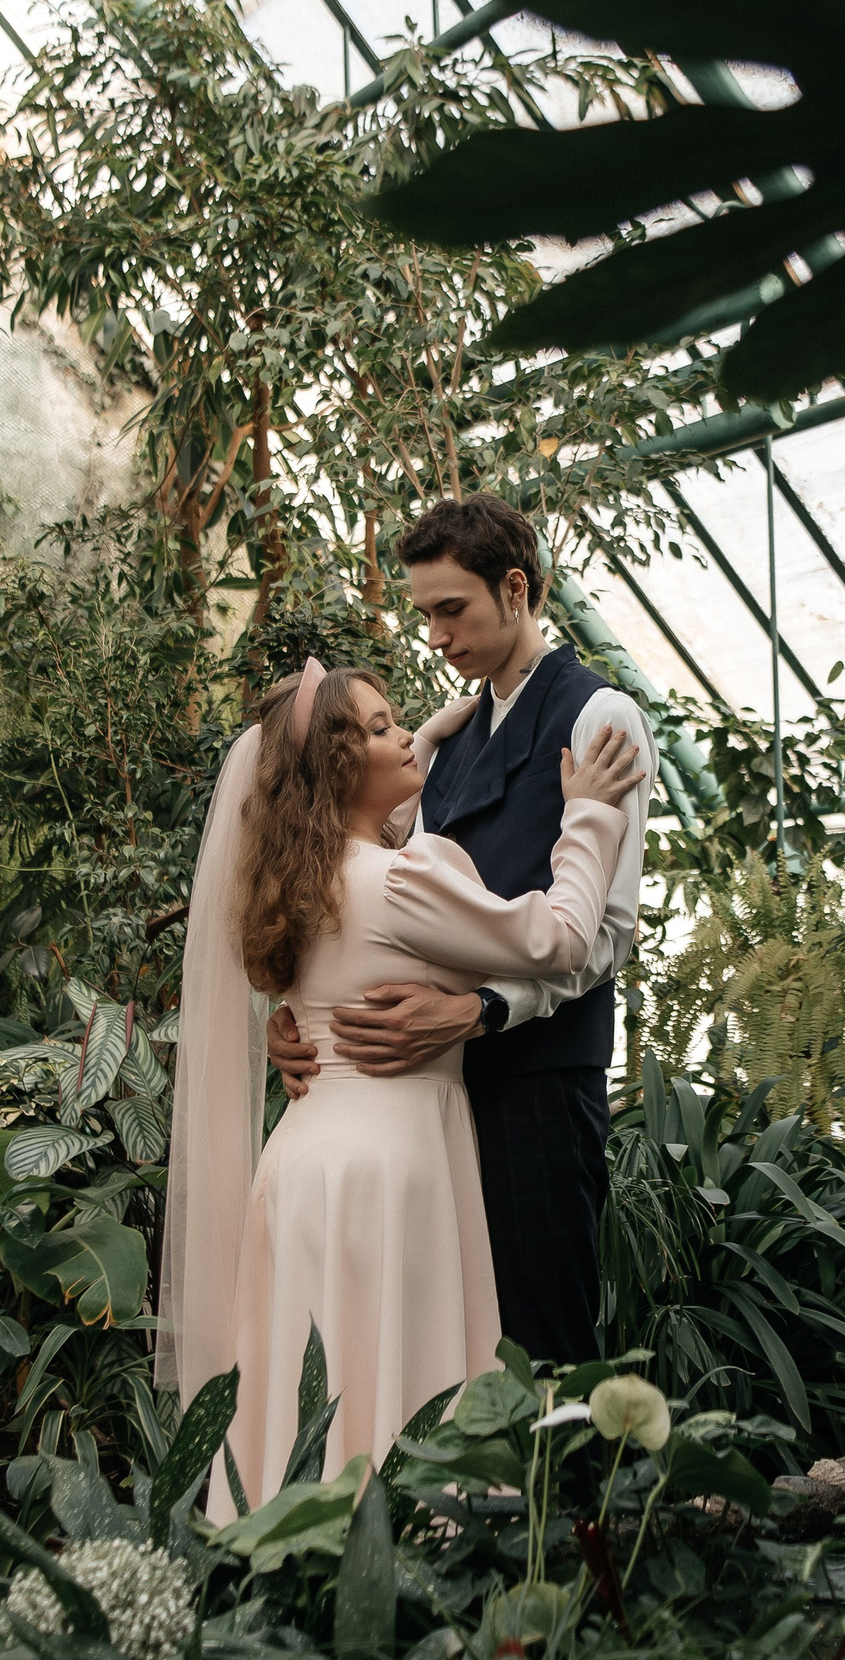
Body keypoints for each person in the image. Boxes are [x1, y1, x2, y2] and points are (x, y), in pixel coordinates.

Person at [161, 657, 644, 1518]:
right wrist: (592, 815)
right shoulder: (397, 881)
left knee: (311, 1390)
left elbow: (311, 984)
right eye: (383, 728)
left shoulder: (293, 881)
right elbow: (565, 937)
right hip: (390, 1168)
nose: (403, 733)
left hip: (303, 1164)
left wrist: (424, 736)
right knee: (395, 1383)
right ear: (343, 768)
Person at [267, 495, 656, 1365]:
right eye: (426, 614)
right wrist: (302, 1016)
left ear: (515, 588)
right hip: (424, 1098)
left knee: (541, 1337)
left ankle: (570, 1505)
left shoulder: (602, 722)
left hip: (537, 1082)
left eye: (453, 609)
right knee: (446, 1345)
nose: (436, 636)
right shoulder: (440, 742)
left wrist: (483, 1009)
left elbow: (605, 937)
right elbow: (364, 899)